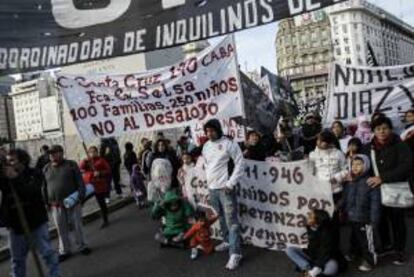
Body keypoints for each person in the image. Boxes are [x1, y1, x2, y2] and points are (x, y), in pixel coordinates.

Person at [362, 116, 413, 265]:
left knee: (397, 221)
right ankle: (386, 245)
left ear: (390, 129)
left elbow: (407, 166)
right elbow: (364, 166)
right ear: (373, 131)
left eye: (384, 128)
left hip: (395, 188)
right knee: (380, 220)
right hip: (377, 190)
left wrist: (383, 177)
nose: (382, 131)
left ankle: (399, 251)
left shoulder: (400, 145)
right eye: (378, 129)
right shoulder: (369, 147)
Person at [1, 149, 60, 277]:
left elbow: (30, 192)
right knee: (17, 261)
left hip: (36, 223)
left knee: (48, 254)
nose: (9, 164)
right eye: (7, 161)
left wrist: (15, 178)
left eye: (12, 160)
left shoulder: (34, 173)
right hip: (16, 227)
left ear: (23, 161)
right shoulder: (5, 178)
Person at [202, 119, 244, 270]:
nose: (209, 134)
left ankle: (235, 253)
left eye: (212, 130)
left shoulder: (229, 143)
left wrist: (230, 183)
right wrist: (209, 184)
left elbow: (240, 163)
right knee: (220, 217)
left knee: (231, 221)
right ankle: (227, 241)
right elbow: (207, 165)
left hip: (225, 189)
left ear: (218, 130)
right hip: (212, 189)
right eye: (207, 131)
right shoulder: (206, 146)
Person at [43, 145, 91, 262]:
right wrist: (45, 202)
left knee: (77, 225)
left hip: (72, 202)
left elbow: (80, 182)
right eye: (50, 154)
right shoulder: (46, 168)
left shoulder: (71, 164)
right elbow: (43, 187)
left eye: (54, 153)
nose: (52, 155)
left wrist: (80, 196)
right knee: (61, 228)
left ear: (61, 153)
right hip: (56, 205)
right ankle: (64, 251)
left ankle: (82, 246)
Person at [341, 155, 381, 272]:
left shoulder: (370, 182)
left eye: (359, 164)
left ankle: (370, 260)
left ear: (366, 166)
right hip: (352, 217)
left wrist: (374, 220)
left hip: (366, 219)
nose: (355, 167)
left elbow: (375, 204)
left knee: (367, 242)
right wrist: (338, 207)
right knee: (355, 238)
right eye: (353, 164)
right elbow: (345, 198)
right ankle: (355, 254)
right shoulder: (350, 182)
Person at [285, 209, 339, 277]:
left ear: (317, 220)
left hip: (324, 259)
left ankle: (314, 271)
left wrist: (316, 269)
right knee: (289, 250)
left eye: (310, 217)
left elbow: (325, 254)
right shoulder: (311, 227)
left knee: (332, 267)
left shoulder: (327, 234)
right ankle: (307, 268)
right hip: (313, 256)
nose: (308, 217)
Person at [79, 146, 111, 229]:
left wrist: (100, 173)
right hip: (89, 185)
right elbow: (81, 167)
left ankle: (105, 220)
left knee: (101, 203)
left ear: (97, 152)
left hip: (99, 185)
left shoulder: (101, 160)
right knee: (81, 200)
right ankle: (80, 219)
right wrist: (84, 160)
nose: (92, 153)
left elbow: (108, 170)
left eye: (94, 151)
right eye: (90, 152)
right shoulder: (87, 161)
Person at [309, 131, 348, 199]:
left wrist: (337, 178)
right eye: (318, 140)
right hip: (320, 190)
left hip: (336, 189)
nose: (318, 142)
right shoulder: (313, 155)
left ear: (329, 142)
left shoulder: (338, 153)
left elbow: (346, 170)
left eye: (322, 141)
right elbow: (310, 172)